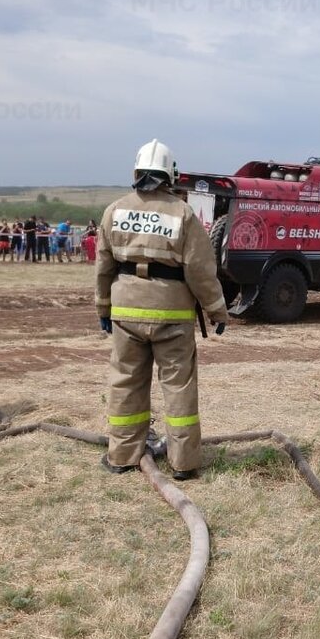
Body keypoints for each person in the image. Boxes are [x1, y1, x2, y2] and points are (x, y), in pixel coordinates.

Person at [95, 139, 228, 480]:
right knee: (179, 387)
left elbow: (104, 267)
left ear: (136, 172)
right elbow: (200, 269)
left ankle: (122, 455)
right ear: (171, 174)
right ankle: (184, 464)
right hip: (173, 316)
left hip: (126, 313)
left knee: (126, 383)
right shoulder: (182, 214)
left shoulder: (115, 210)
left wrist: (104, 309)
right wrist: (217, 311)